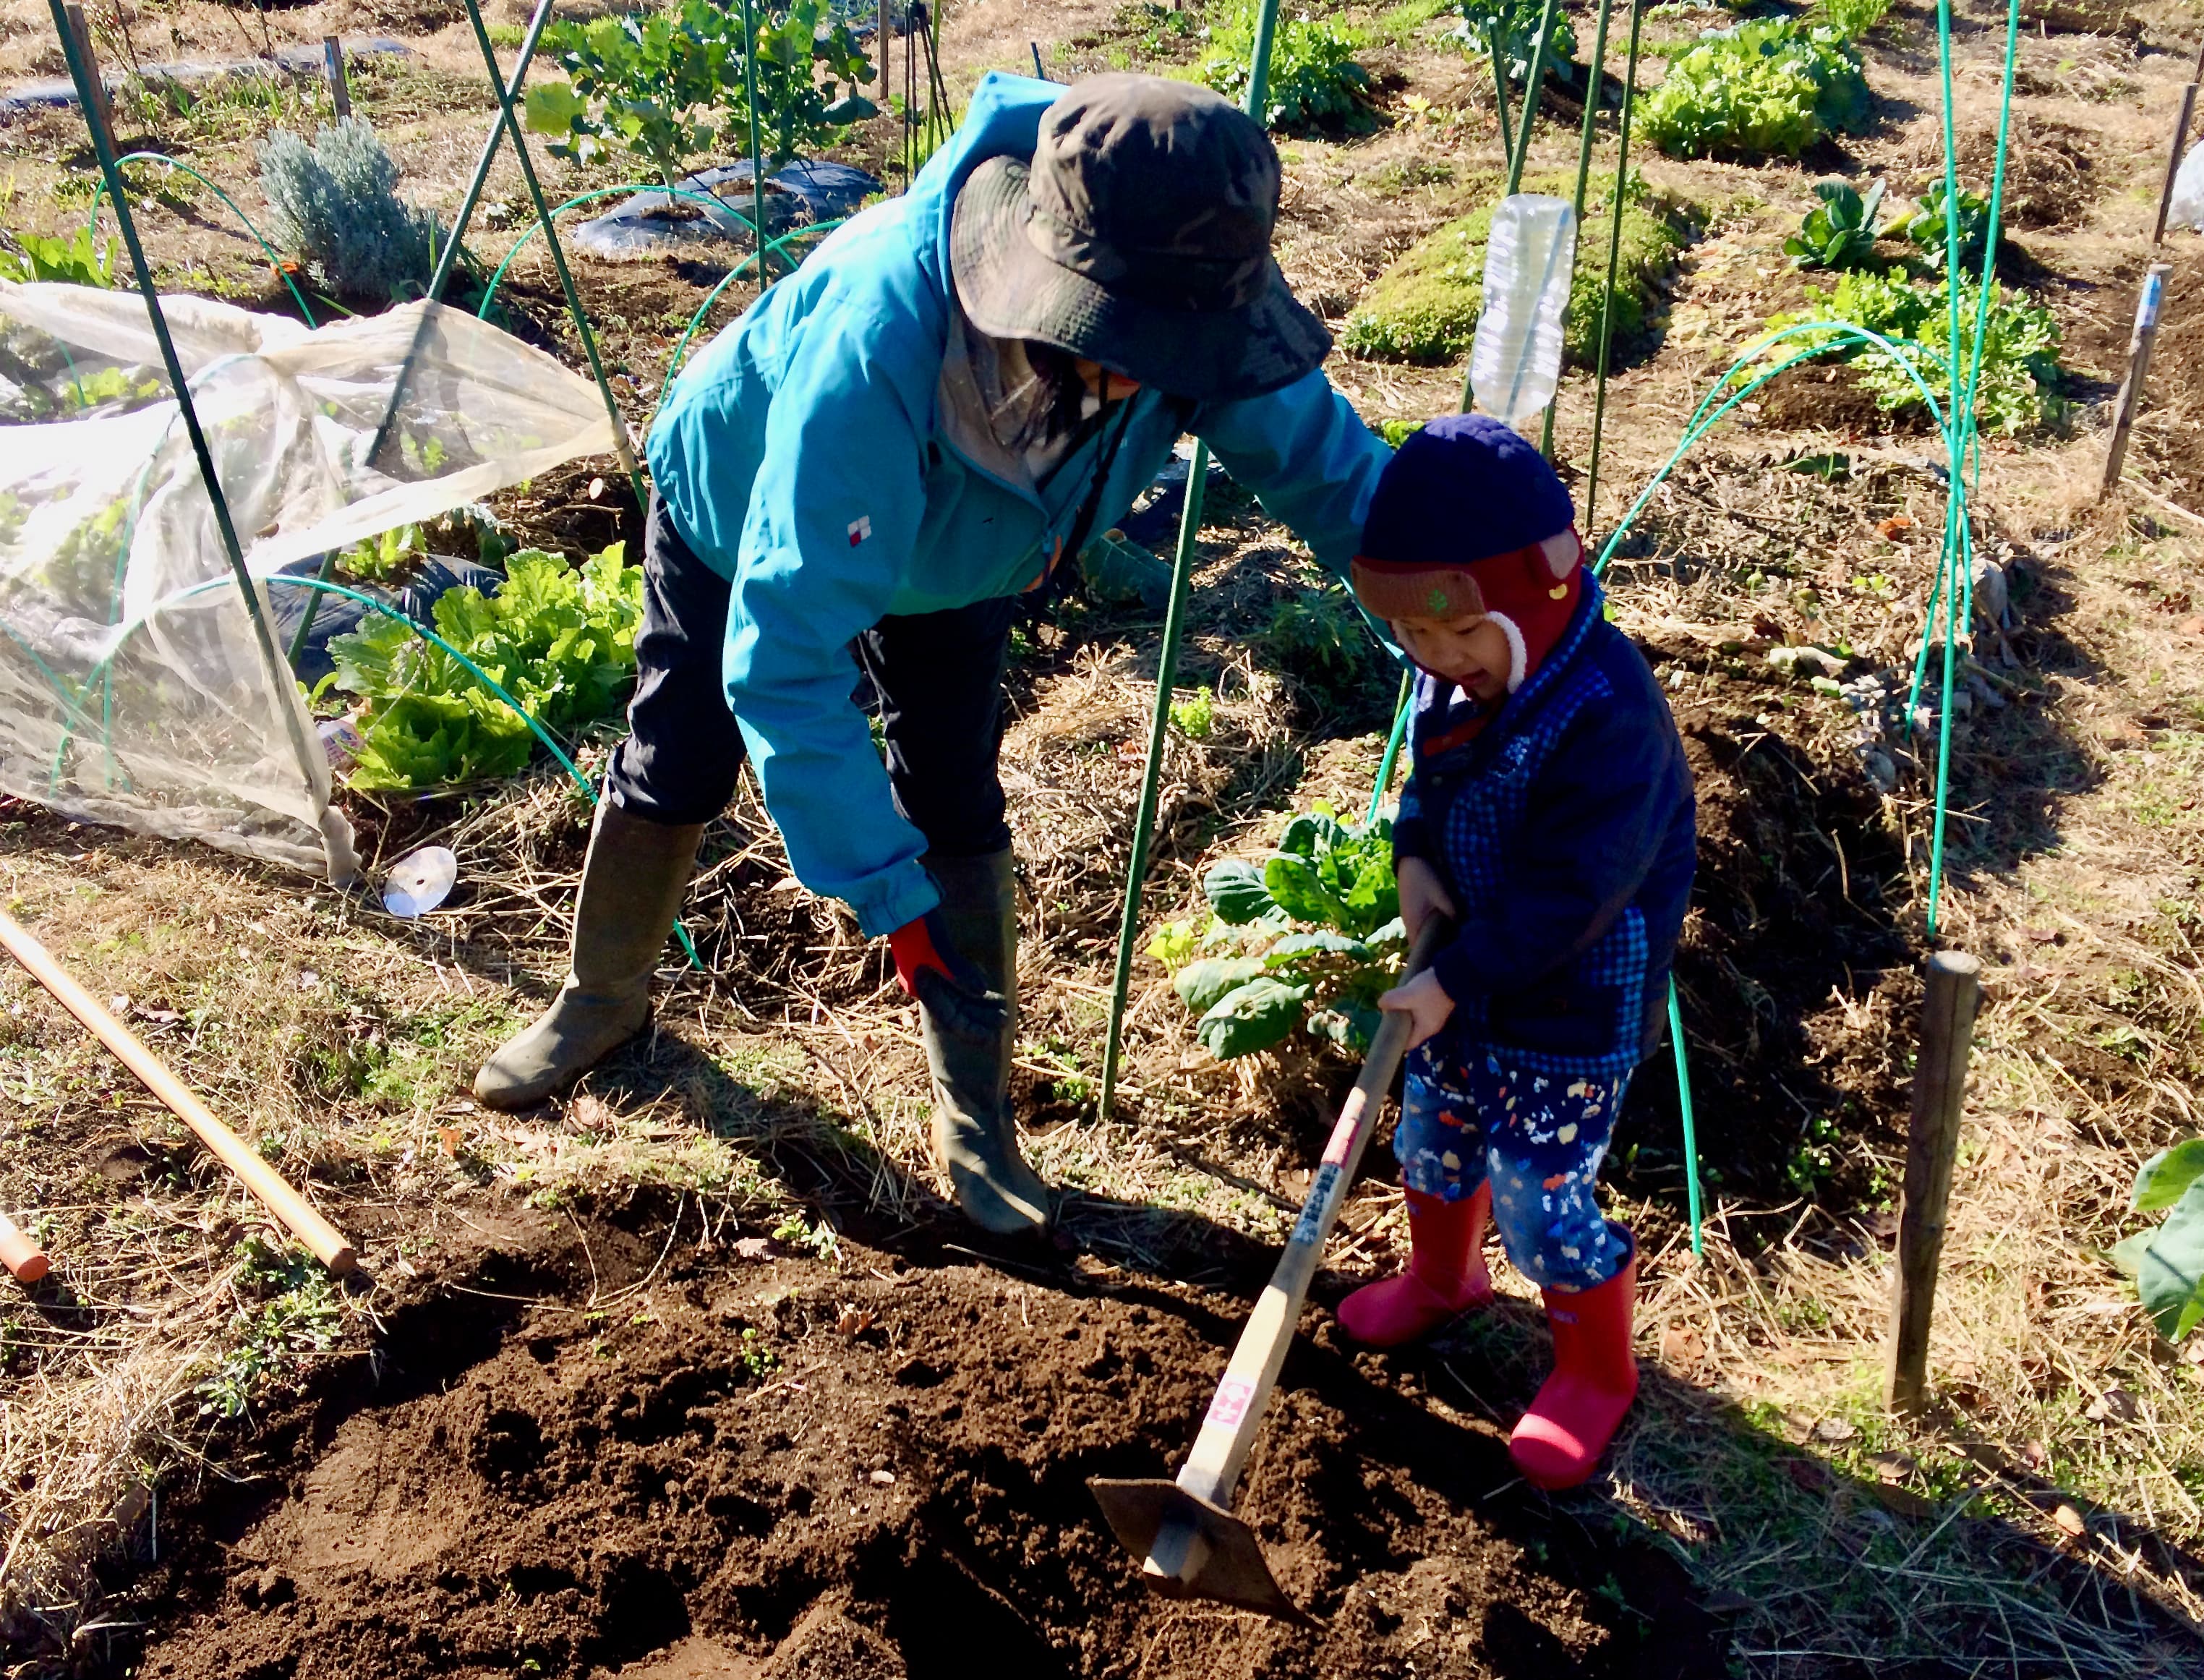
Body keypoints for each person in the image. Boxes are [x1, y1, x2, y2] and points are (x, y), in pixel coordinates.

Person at [470, 72, 1392, 1240]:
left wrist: (1471, 592)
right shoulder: (882, 335)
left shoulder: (1187, 295)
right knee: (681, 751)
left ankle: (977, 1111)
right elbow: (788, 654)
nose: (1144, 379)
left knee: (953, 783)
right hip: (750, 504)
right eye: (1120, 347)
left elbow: (1331, 470)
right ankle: (598, 999)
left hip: (971, 547)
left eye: (1170, 354)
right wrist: (884, 893)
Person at [1337, 415, 1696, 1490]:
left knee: (1540, 1198)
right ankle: (1443, 1281)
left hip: (1568, 1005)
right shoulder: (1451, 678)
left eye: (1461, 638)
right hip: (1469, 986)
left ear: (1532, 599)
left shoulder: (1606, 714)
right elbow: (1425, 784)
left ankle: (1595, 1372)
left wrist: (1450, 978)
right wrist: (1412, 861)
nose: (1440, 663)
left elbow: (1573, 899)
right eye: (1415, 640)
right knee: (1435, 1143)